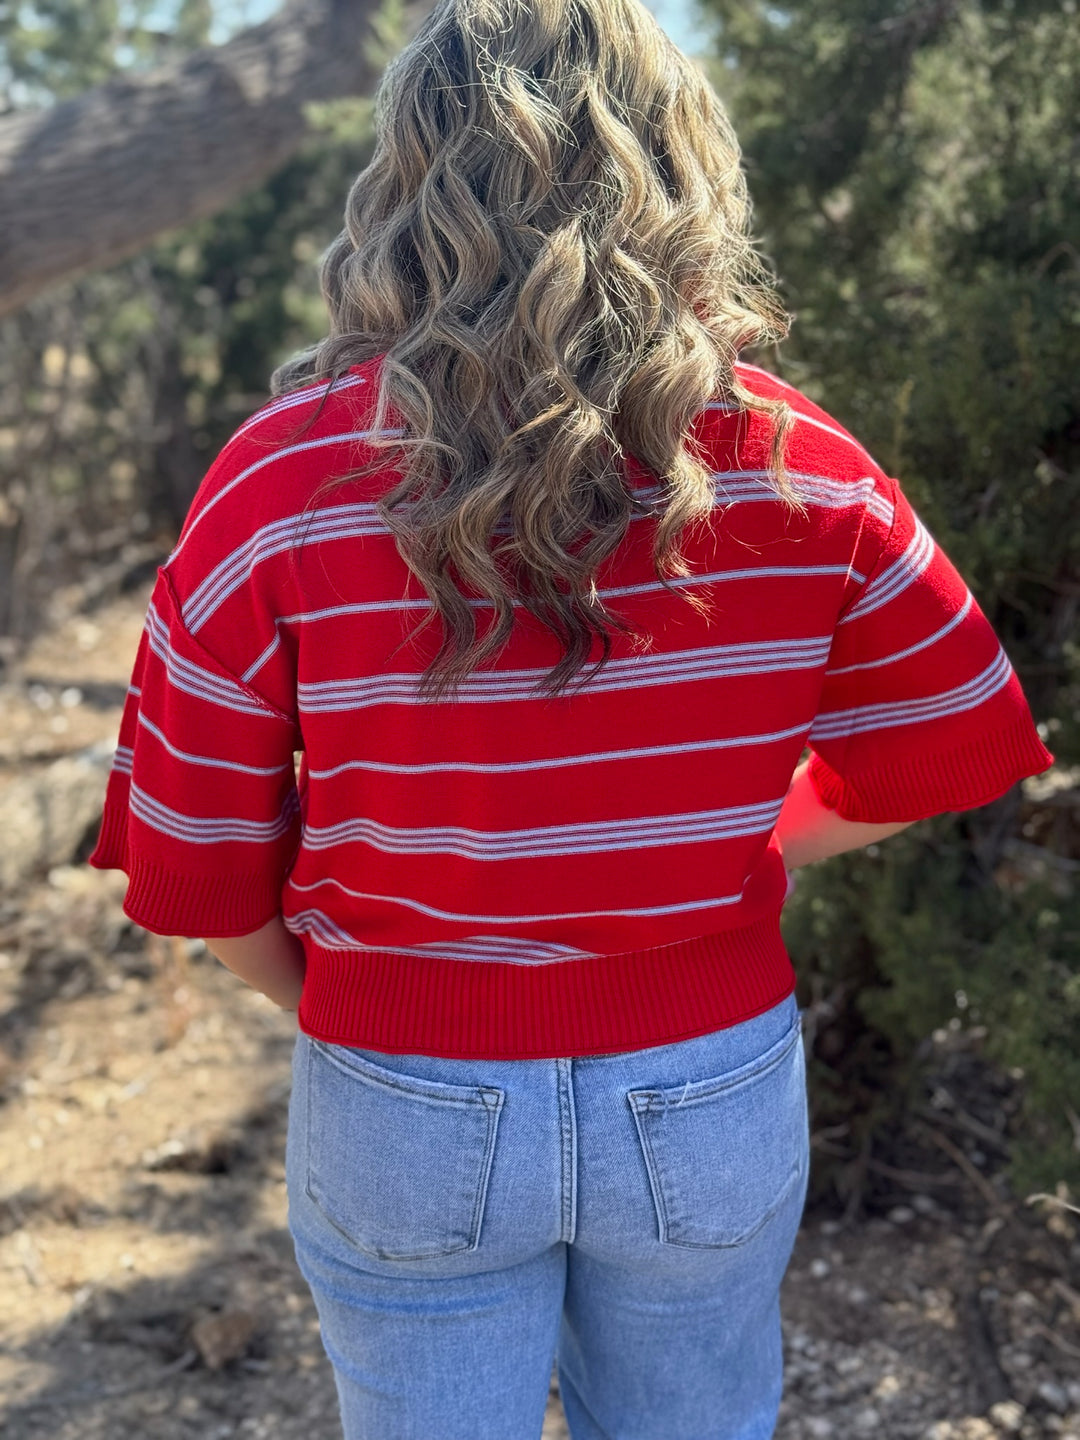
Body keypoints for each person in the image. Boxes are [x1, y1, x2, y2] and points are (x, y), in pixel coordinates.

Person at [88, 0, 1054, 1435]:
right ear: (684, 168)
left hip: (401, 1094)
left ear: (408, 181)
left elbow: (195, 861)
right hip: (706, 1082)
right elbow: (944, 744)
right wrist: (753, 857)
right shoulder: (803, 466)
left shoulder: (278, 481)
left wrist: (361, 1007)